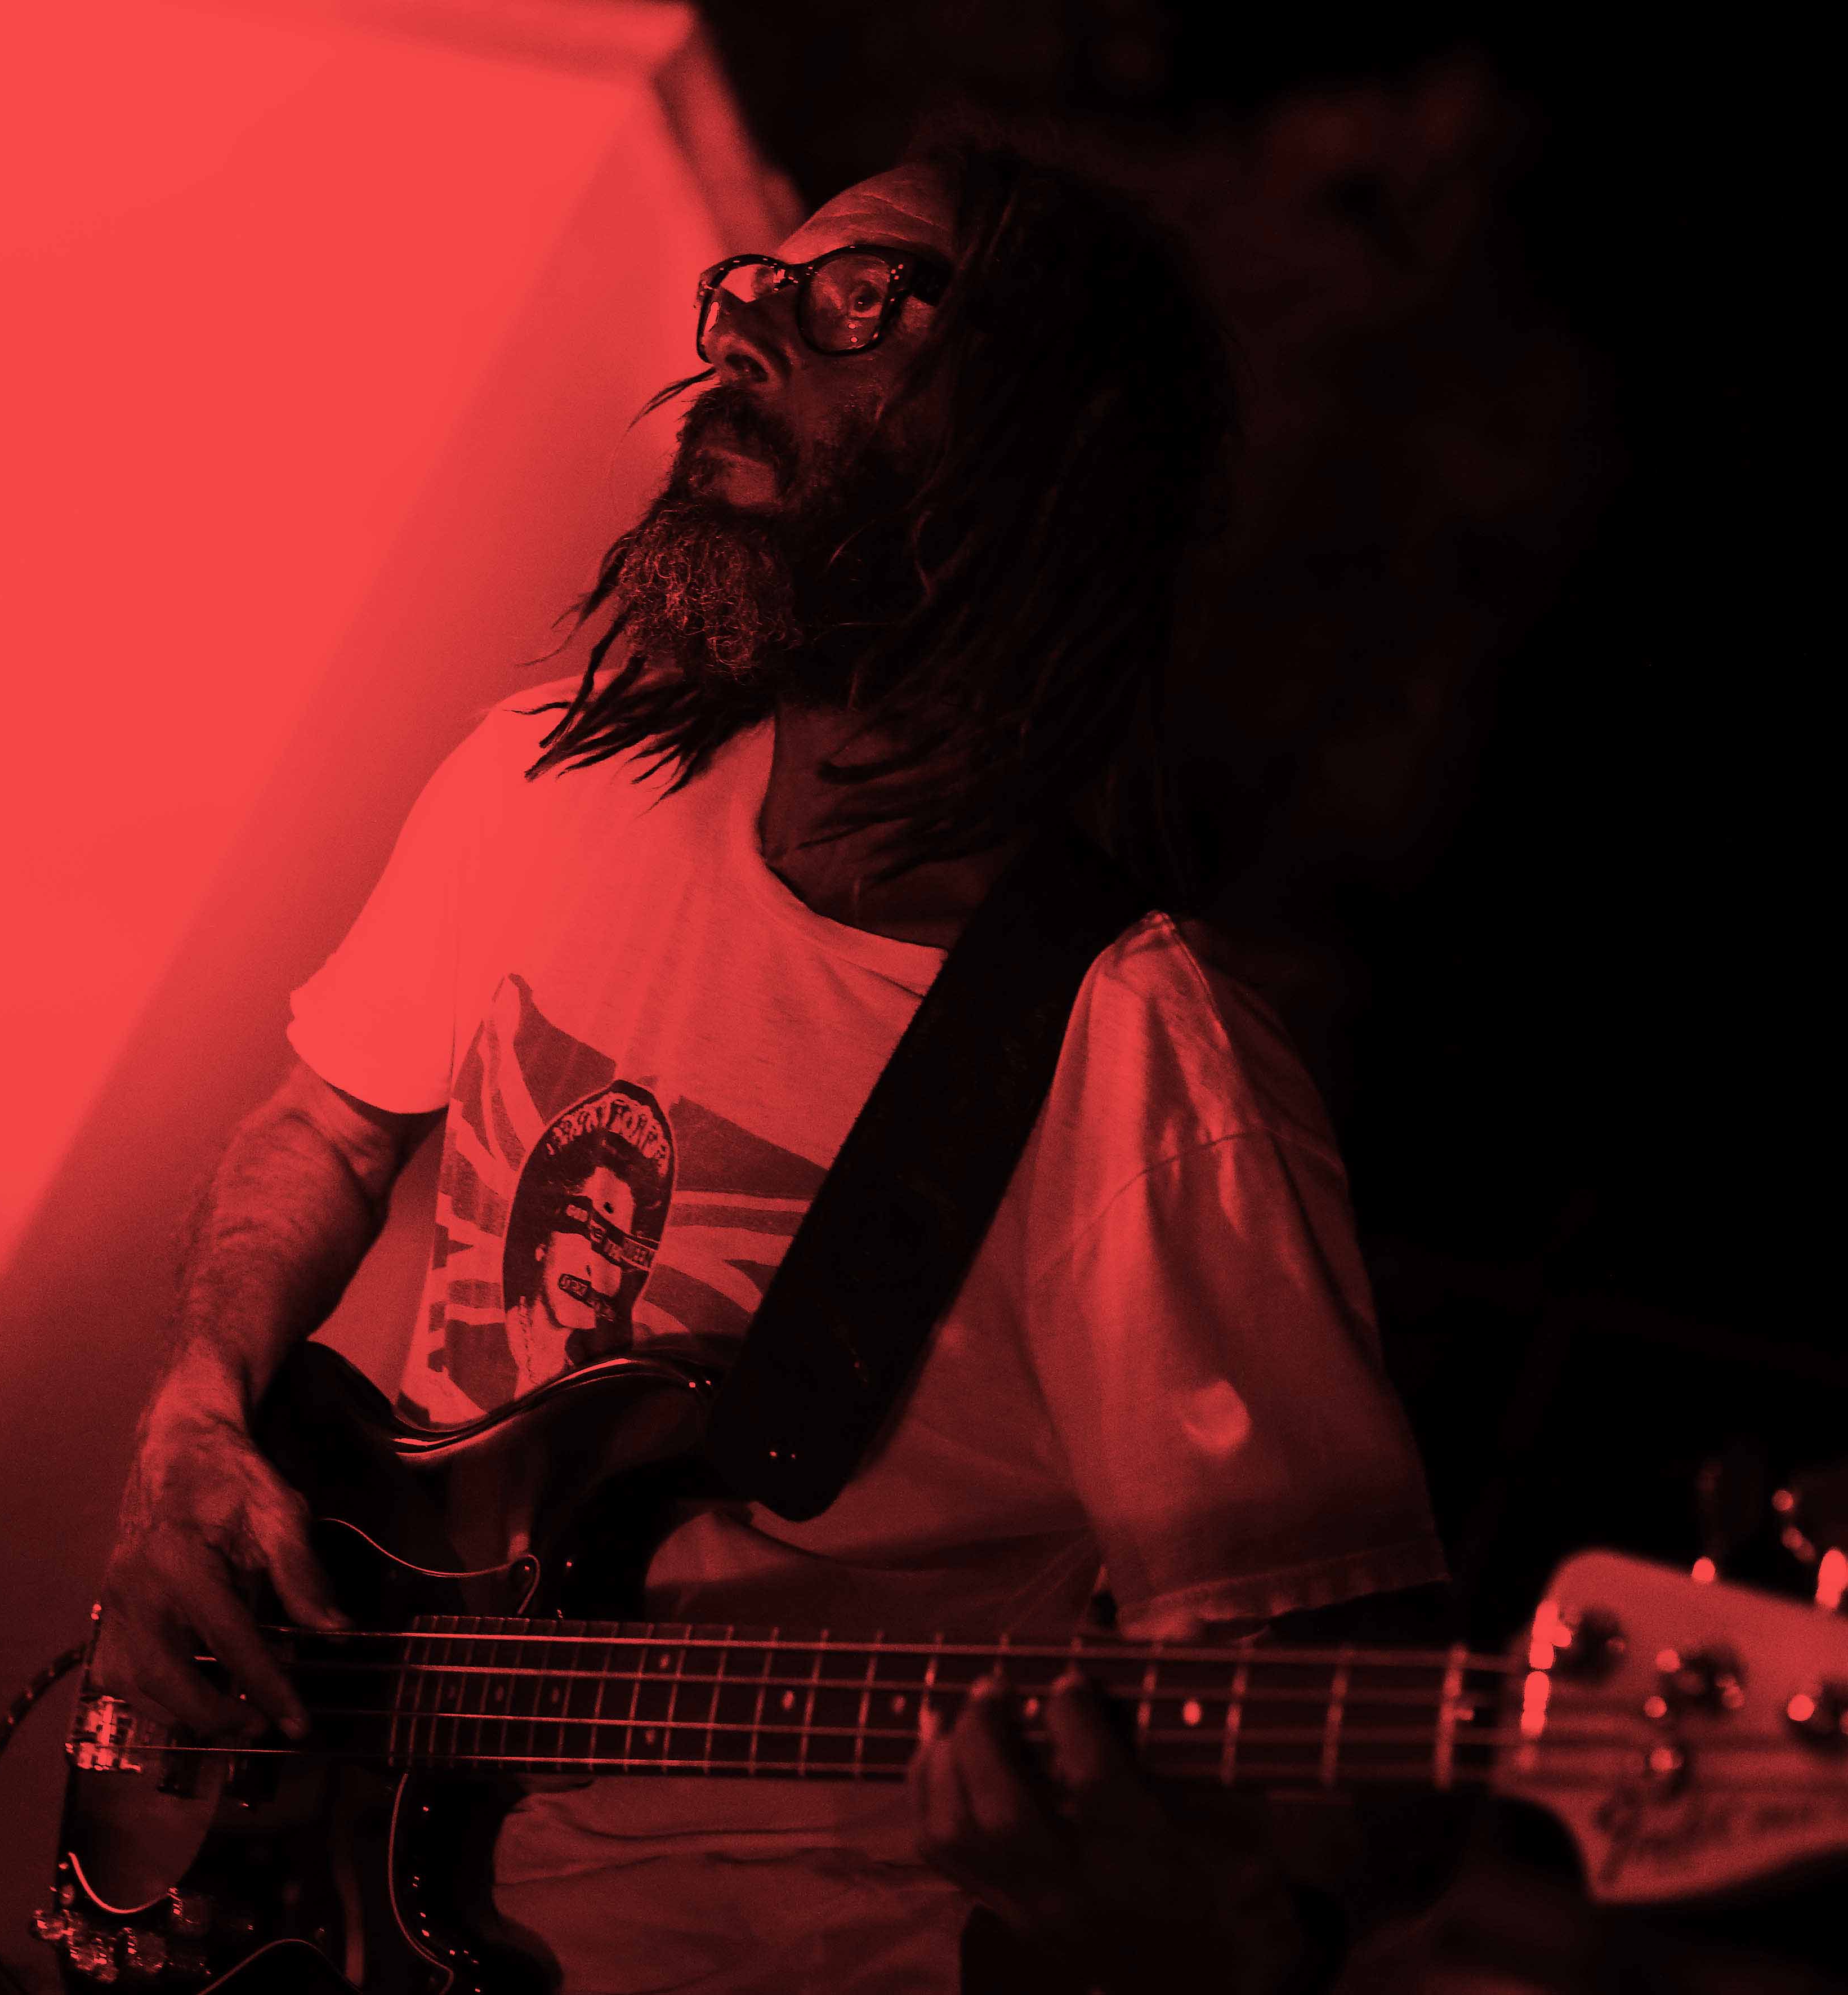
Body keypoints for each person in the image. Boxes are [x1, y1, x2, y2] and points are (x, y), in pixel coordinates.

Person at [90, 131, 1450, 1995]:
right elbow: (328, 1123)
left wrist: (1191, 1926)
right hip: (325, 1881)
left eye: (860, 304)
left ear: (1047, 445)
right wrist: (195, 1415)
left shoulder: (1131, 1054)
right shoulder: (550, 778)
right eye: (749, 293)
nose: (744, 336)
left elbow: (1364, 1776)